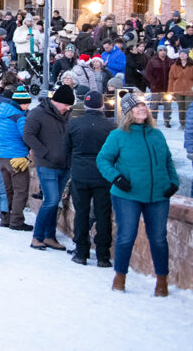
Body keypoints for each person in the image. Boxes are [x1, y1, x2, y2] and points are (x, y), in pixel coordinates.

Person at [97, 92, 180, 296]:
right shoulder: (118, 135)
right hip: (127, 195)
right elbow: (103, 160)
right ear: (128, 112)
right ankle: (120, 277)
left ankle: (162, 280)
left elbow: (168, 161)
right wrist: (116, 178)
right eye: (137, 106)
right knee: (127, 236)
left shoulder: (157, 134)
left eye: (144, 106)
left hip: (159, 195)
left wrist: (174, 182)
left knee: (159, 238)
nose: (142, 109)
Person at [64, 91, 114, 267]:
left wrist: (74, 166)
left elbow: (66, 149)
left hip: (80, 174)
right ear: (102, 105)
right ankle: (103, 256)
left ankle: (81, 252)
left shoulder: (74, 124)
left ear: (85, 105)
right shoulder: (110, 126)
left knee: (82, 214)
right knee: (103, 215)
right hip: (103, 176)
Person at [24, 83, 74, 251]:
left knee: (55, 201)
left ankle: (49, 236)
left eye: (69, 105)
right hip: (47, 164)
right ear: (57, 101)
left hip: (65, 165)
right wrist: (43, 152)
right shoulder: (38, 113)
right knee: (51, 200)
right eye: (66, 104)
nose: (67, 108)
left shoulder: (68, 115)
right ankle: (37, 237)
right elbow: (28, 135)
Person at [0, 85, 33, 230]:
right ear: (21, 103)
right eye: (27, 103)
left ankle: (5, 219)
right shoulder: (20, 117)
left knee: (6, 190)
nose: (28, 106)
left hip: (2, 156)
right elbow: (26, 136)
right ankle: (16, 221)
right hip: (17, 158)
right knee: (20, 190)